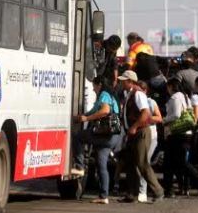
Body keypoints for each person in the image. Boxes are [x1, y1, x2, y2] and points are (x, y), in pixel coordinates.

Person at [70, 76, 123, 204]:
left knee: (78, 137)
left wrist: (86, 120)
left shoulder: (104, 94)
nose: (93, 89)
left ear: (99, 84)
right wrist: (79, 117)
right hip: (112, 136)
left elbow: (105, 111)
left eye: (94, 86)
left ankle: (79, 166)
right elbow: (93, 111)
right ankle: (103, 196)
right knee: (101, 164)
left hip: (104, 134)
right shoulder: (111, 95)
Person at [117, 70, 165, 203]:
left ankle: (158, 191)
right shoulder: (129, 94)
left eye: (123, 80)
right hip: (134, 133)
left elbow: (146, 114)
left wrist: (134, 127)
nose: (121, 83)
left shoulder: (137, 94)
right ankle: (132, 193)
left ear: (130, 81)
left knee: (142, 162)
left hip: (141, 132)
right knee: (131, 163)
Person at [161, 77, 193, 197]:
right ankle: (173, 188)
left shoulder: (175, 97)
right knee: (177, 162)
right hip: (186, 132)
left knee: (172, 163)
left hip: (177, 132)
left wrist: (164, 120)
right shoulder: (185, 97)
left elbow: (176, 115)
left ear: (171, 86)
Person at [135, 80, 162, 202]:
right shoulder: (134, 100)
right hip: (138, 135)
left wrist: (146, 119)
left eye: (141, 89)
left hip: (151, 135)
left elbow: (159, 117)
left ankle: (143, 191)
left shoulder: (151, 102)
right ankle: (136, 191)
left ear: (145, 91)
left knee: (144, 162)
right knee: (139, 162)